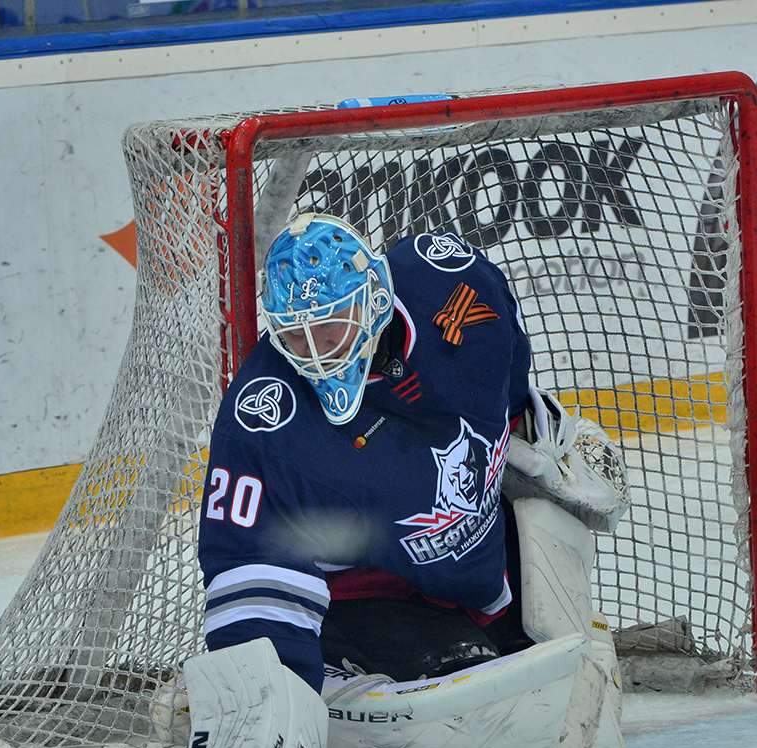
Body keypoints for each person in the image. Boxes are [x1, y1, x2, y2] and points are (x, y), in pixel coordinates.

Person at [196, 212, 535, 693]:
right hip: (367, 595)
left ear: (374, 298)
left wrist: (529, 427)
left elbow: (509, 381)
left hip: (479, 572)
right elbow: (246, 566)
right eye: (294, 333)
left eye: (329, 324)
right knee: (481, 692)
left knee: (552, 662)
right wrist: (269, 698)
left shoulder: (456, 284)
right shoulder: (262, 416)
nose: (316, 352)